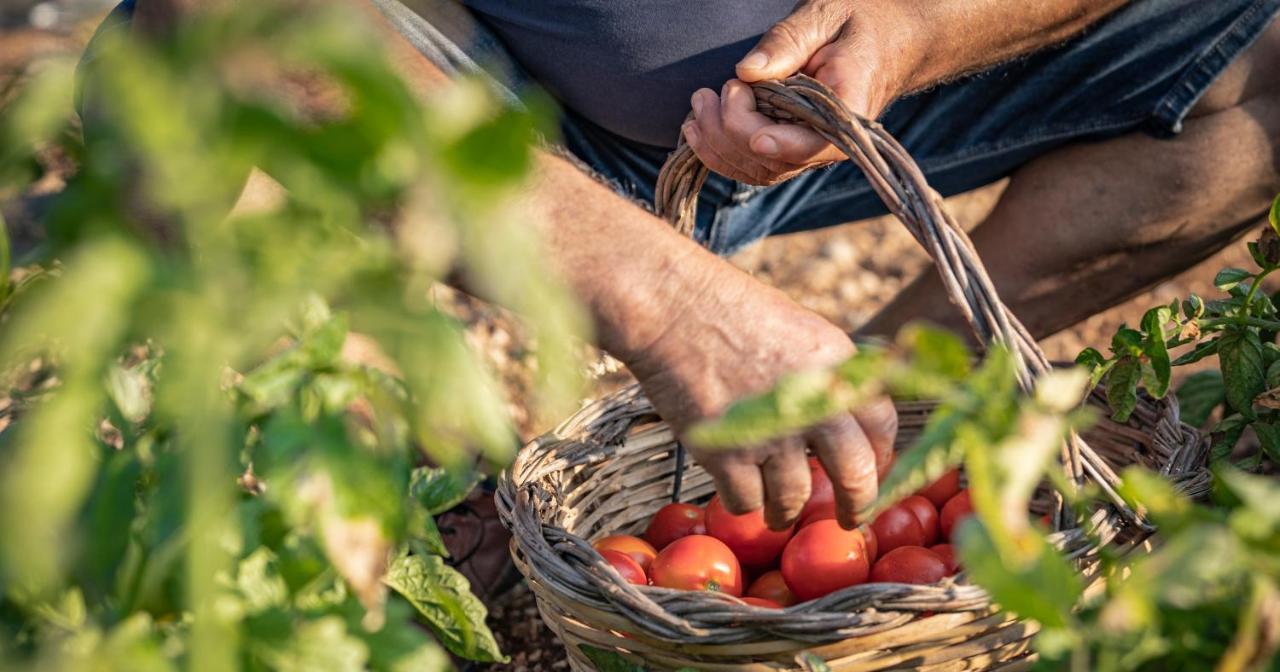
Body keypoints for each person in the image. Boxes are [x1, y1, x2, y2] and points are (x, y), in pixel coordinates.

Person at [113, 0, 1280, 542]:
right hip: (498, 125)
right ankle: (174, 388)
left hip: (854, 97)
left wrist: (921, 28)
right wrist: (661, 297)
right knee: (210, 47)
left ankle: (877, 414)